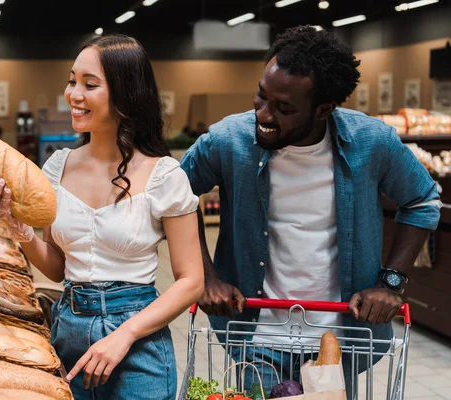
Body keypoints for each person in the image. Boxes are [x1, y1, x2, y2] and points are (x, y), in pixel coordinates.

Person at [180, 26, 441, 394]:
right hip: (257, 334)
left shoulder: (371, 143)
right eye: (261, 95)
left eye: (283, 108)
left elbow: (422, 201)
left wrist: (390, 283)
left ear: (324, 109)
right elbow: (173, 196)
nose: (263, 114)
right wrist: (206, 276)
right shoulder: (229, 140)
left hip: (340, 338)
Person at [0, 34, 204, 400]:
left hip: (138, 342)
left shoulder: (164, 175)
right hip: (69, 332)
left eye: (89, 84)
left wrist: (125, 334)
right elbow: (56, 267)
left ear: (126, 94)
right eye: (72, 81)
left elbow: (191, 281)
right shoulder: (56, 168)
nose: (73, 94)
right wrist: (18, 228)